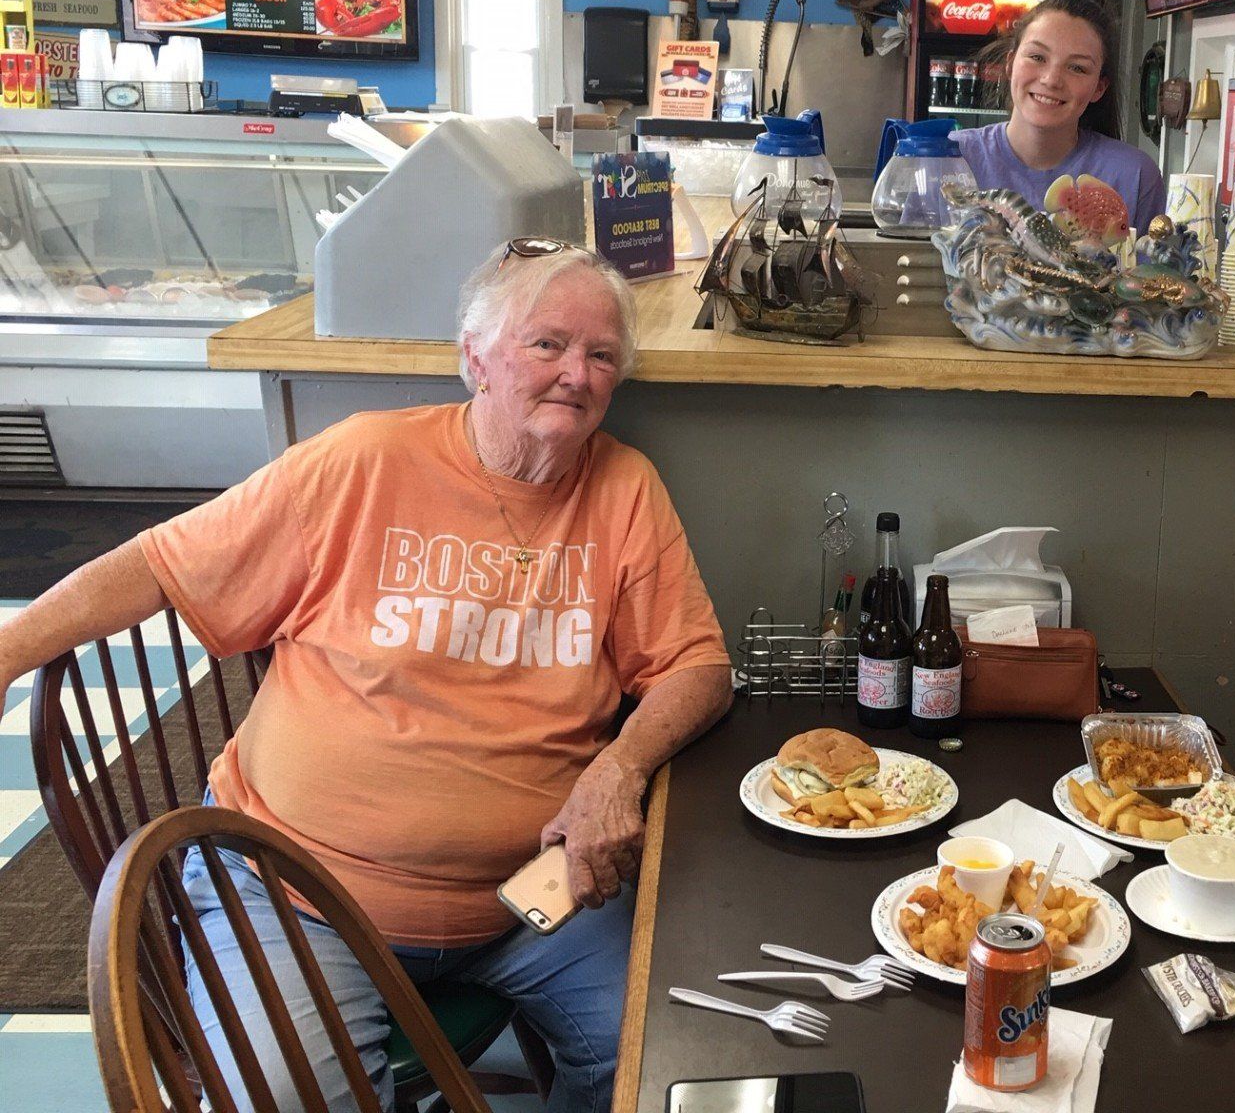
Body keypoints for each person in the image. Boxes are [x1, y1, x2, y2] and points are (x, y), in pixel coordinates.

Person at [0, 239, 736, 1113]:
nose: (576, 374)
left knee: (676, 1062)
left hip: (533, 898)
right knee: (285, 1098)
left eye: (601, 355)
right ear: (476, 359)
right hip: (295, 890)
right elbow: (160, 564)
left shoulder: (624, 488)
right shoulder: (360, 463)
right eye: (547, 345)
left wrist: (619, 768)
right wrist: (7, 653)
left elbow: (697, 664)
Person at [955, 0, 1167, 234]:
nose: (1051, 79)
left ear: (1099, 87)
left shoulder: (1136, 175)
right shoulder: (949, 158)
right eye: (1037, 57)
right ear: (1010, 64)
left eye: (1077, 68)